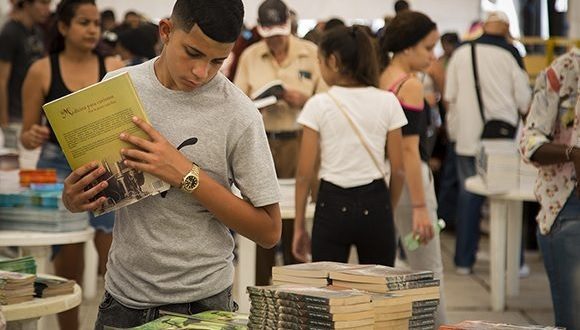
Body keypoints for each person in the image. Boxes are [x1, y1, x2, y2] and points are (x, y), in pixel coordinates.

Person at [59, 0, 281, 328]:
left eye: (218, 61)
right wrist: (73, 197)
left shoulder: (239, 114)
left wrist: (186, 174)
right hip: (123, 301)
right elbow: (90, 187)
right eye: (192, 53)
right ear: (166, 31)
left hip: (205, 304)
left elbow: (269, 230)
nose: (201, 72)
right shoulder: (117, 89)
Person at [19, 0, 124, 328]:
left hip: (104, 162)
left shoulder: (113, 64)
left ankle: (117, 319)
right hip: (56, 164)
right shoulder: (42, 70)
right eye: (83, 22)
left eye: (96, 23)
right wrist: (31, 136)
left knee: (112, 251)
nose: (93, 29)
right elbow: (25, 134)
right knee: (68, 253)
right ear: (63, 27)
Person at [292, 25, 406, 266]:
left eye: (320, 62)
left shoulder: (318, 104)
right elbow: (398, 170)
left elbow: (303, 173)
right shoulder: (388, 101)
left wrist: (299, 226)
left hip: (332, 203)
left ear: (333, 61)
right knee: (379, 292)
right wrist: (388, 210)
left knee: (328, 292)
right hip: (376, 200)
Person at [234, 0, 325, 285]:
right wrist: (255, 106)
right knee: (261, 215)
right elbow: (237, 100)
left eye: (279, 34)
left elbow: (327, 102)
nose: (274, 40)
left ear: (290, 26)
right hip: (262, 142)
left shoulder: (310, 54)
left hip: (300, 143)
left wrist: (304, 101)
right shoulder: (250, 56)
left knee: (298, 216)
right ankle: (261, 289)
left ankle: (297, 288)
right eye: (268, 34)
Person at [445, 10, 531, 275]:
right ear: (505, 29)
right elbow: (525, 102)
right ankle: (513, 264)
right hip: (501, 143)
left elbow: (449, 97)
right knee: (507, 200)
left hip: (467, 138)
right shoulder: (511, 55)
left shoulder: (461, 53)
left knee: (468, 196)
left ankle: (463, 261)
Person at [378, 10, 447, 325]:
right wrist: (420, 206)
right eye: (427, 48)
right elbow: (409, 150)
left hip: (386, 176)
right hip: (410, 180)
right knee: (427, 269)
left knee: (390, 266)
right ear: (407, 47)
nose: (432, 56)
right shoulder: (411, 85)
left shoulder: (381, 76)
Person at [519, 48, 580, 329]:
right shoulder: (566, 69)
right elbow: (530, 141)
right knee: (573, 318)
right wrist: (573, 153)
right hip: (569, 206)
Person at [0, 0, 50, 165]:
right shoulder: (10, 32)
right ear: (27, 4)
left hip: (34, 114)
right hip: (14, 116)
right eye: (43, 3)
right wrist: (4, 120)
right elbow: (2, 78)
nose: (47, 9)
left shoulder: (37, 32)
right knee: (14, 170)